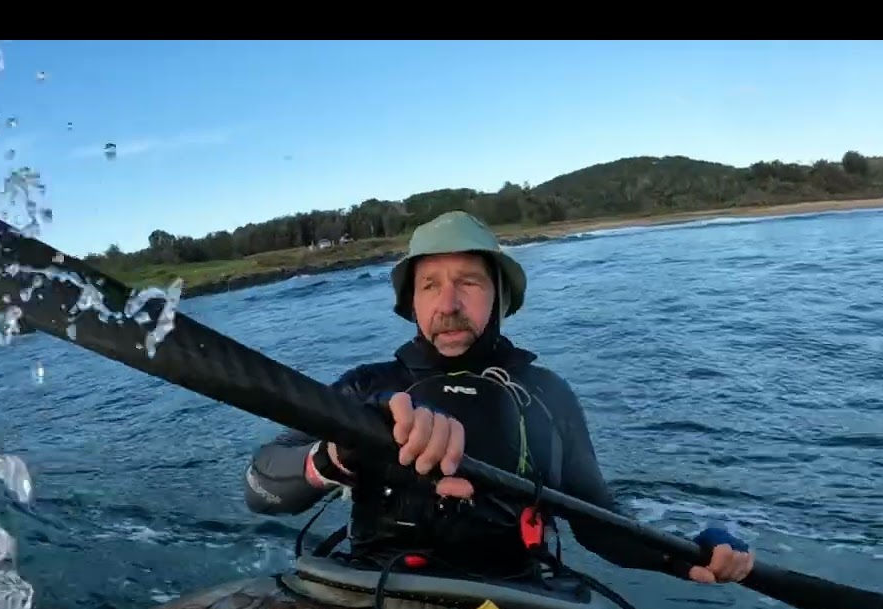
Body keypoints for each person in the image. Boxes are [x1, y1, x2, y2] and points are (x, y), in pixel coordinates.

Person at [243, 210, 753, 586]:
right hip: (373, 588)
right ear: (412, 302)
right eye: (429, 285)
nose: (448, 303)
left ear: (500, 297)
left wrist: (682, 554)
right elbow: (261, 488)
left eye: (468, 282)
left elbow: (600, 525)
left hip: (516, 600)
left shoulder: (546, 394)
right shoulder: (365, 389)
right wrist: (334, 456)